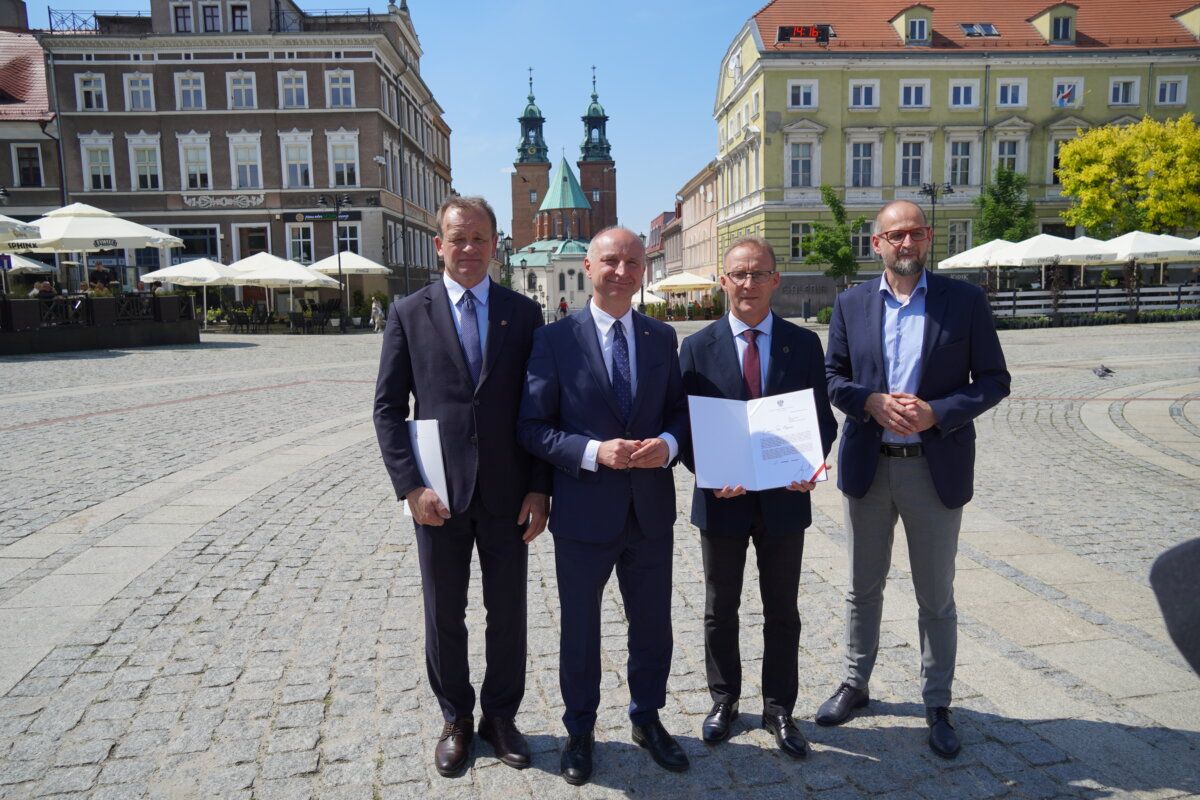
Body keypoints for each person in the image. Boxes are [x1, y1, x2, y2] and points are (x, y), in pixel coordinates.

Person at [817, 200, 1010, 759]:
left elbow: (994, 380)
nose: (907, 243)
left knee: (935, 595)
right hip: (869, 466)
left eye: (916, 233)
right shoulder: (851, 303)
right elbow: (832, 378)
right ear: (876, 242)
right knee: (862, 587)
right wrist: (869, 401)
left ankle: (938, 702)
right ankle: (855, 682)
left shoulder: (964, 301)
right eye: (895, 235)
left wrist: (938, 412)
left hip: (934, 468)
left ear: (928, 238)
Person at [373, 196, 550, 778]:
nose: (468, 248)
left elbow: (541, 407)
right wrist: (410, 487)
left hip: (508, 494)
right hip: (438, 496)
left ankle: (500, 716)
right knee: (444, 612)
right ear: (439, 245)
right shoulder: (408, 312)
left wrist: (539, 488)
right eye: (458, 238)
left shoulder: (523, 313)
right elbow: (387, 408)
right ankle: (455, 717)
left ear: (495, 244)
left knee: (508, 613)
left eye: (479, 238)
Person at [518, 226, 690, 786]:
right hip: (584, 511)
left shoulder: (661, 337)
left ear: (643, 271)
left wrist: (668, 445)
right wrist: (593, 452)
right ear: (589, 267)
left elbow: (679, 413)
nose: (622, 271)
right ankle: (579, 729)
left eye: (633, 262)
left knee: (653, 625)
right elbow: (532, 427)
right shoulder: (554, 340)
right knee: (580, 629)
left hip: (649, 511)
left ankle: (648, 717)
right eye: (611, 261)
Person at [679, 236, 837, 758]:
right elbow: (686, 425)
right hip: (722, 498)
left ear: (775, 280)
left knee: (782, 610)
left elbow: (822, 421)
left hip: (784, 499)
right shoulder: (696, 347)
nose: (748, 284)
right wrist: (707, 471)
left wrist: (811, 464)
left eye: (758, 274)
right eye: (739, 274)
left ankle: (779, 708)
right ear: (724, 281)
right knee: (719, 608)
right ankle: (724, 700)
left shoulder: (803, 344)